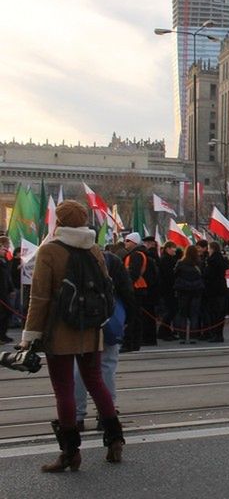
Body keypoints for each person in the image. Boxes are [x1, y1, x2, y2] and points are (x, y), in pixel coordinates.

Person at [18, 200, 124, 472]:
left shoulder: (49, 251)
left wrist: (28, 336)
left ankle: (70, 454)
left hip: (60, 329)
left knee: (64, 390)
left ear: (59, 223)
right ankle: (115, 440)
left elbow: (39, 298)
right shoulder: (95, 249)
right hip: (91, 328)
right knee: (96, 382)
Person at [75, 249, 134, 431]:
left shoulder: (70, 257)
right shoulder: (111, 259)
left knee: (78, 368)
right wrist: (129, 318)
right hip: (108, 318)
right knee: (107, 366)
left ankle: (77, 416)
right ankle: (106, 414)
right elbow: (126, 291)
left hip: (79, 320)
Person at [120, 232, 150, 352]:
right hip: (137, 287)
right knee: (135, 317)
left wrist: (127, 285)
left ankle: (130, 343)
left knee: (132, 317)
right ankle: (133, 343)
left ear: (134, 242)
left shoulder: (136, 255)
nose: (125, 243)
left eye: (128, 241)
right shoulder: (137, 254)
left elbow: (133, 272)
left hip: (135, 288)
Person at [174, 245, 205, 343]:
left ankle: (182, 336)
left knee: (183, 314)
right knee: (194, 314)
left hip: (183, 290)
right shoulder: (199, 264)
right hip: (196, 290)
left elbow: (175, 275)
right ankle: (193, 336)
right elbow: (203, 275)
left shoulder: (181, 263)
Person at [203, 241, 229, 343]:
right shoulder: (222, 260)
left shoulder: (212, 261)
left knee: (214, 314)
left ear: (212, 249)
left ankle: (215, 335)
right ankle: (219, 334)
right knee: (220, 314)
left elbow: (208, 275)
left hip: (213, 290)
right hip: (222, 288)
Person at [157, 241, 179, 341]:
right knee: (170, 310)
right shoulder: (166, 260)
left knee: (171, 310)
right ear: (167, 249)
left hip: (167, 288)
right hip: (168, 288)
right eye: (172, 248)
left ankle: (165, 331)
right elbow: (168, 275)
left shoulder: (168, 259)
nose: (174, 250)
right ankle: (163, 331)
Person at [0, 237, 15, 344]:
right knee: (2, 314)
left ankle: (3, 335)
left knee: (7, 313)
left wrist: (11, 289)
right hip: (1, 293)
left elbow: (7, 277)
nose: (6, 250)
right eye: (4, 248)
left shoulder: (4, 260)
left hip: (4, 291)